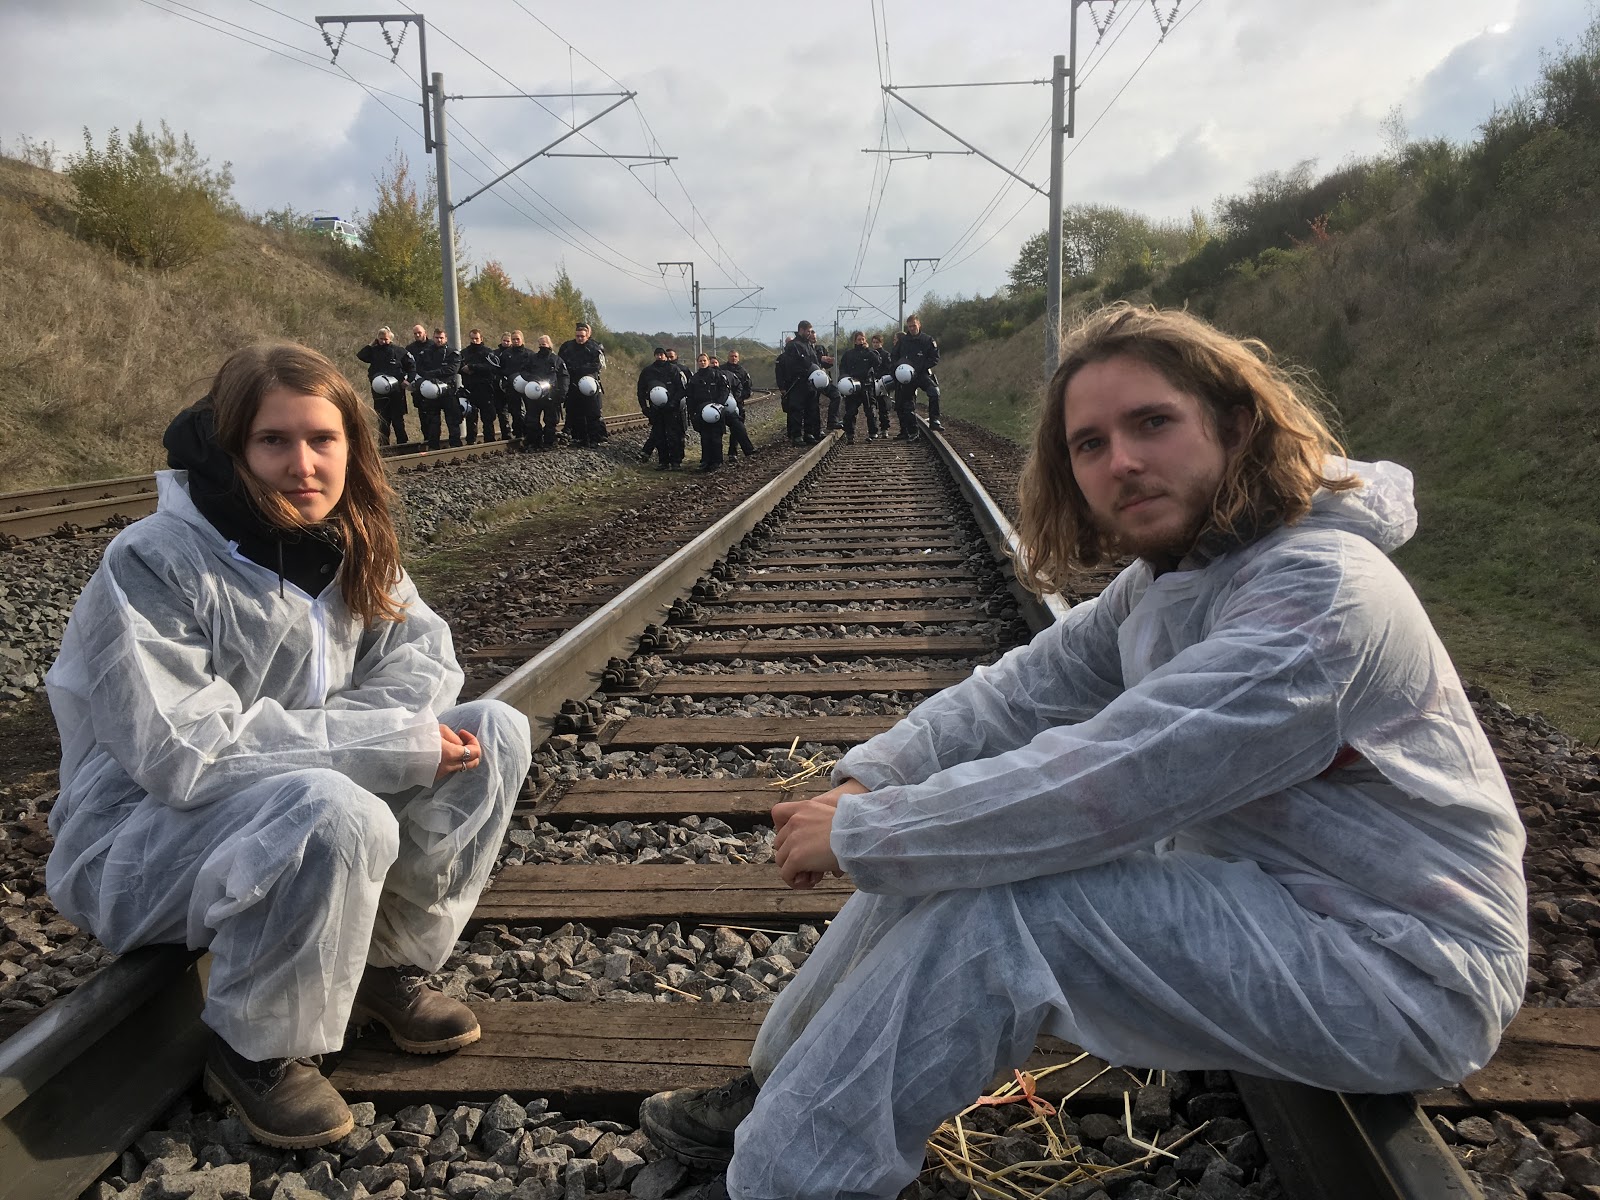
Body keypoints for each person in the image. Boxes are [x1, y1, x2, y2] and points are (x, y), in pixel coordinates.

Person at [638, 304, 1529, 1200]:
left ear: (1236, 423)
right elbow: (1027, 688)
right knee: (957, 865)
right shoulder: (1178, 577)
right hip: (1281, 904)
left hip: (1403, 971)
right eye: (1090, 444)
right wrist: (883, 773)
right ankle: (774, 1090)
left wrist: (870, 832)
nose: (1122, 463)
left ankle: (792, 1181)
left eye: (1152, 423)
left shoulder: (1324, 600)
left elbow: (1116, 776)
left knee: (1005, 918)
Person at [44, 342, 534, 1150]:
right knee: (335, 803)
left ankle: (382, 966)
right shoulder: (155, 562)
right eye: (274, 441)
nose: (302, 464)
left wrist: (374, 740)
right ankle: (256, 1051)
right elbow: (187, 753)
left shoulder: (346, 544)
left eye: (322, 440)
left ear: (352, 447)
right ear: (234, 447)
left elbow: (424, 664)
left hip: (293, 814)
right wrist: (378, 744)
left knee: (496, 730)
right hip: (142, 844)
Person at [354, 327, 413, 447]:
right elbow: (361, 355)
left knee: (398, 421)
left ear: (390, 339)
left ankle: (403, 444)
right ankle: (384, 446)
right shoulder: (374, 351)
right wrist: (371, 345)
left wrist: (408, 381)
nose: (383, 341)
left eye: (385, 339)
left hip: (396, 392)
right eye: (381, 339)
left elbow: (412, 367)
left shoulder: (399, 351)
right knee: (382, 421)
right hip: (379, 393)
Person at [636, 347, 687, 471]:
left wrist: (674, 402)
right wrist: (644, 407)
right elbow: (641, 390)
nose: (659, 357)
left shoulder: (674, 370)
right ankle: (663, 461)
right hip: (656, 409)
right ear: (654, 356)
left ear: (665, 356)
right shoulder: (648, 371)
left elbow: (681, 389)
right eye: (657, 355)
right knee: (659, 436)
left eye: (661, 355)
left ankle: (676, 462)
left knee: (674, 436)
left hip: (672, 408)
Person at [891, 314, 942, 437]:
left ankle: (934, 420)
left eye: (914, 325)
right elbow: (894, 356)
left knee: (934, 392)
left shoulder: (927, 340)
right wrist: (900, 367)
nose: (912, 328)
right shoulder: (903, 341)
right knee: (907, 405)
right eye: (909, 326)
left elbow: (935, 358)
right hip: (907, 377)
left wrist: (921, 366)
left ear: (919, 324)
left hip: (921, 373)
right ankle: (913, 432)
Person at [777, 322, 827, 445]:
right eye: (808, 331)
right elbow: (791, 365)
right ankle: (797, 435)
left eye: (810, 331)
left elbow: (814, 361)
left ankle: (809, 433)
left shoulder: (809, 345)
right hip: (798, 382)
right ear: (801, 330)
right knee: (797, 409)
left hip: (811, 382)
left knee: (811, 408)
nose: (810, 333)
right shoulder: (793, 346)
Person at [558, 321, 607, 447]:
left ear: (587, 336)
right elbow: (560, 362)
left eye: (582, 336)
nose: (580, 338)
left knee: (593, 412)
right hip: (572, 382)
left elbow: (598, 365)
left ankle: (595, 438)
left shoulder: (594, 348)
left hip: (588, 382)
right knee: (574, 411)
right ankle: (578, 438)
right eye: (578, 336)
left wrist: (581, 369)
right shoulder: (567, 347)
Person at [412, 328, 462, 450]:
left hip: (448, 390)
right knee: (432, 420)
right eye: (436, 337)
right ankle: (433, 446)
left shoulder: (452, 353)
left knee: (452, 419)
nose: (439, 340)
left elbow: (452, 369)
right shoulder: (425, 353)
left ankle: (455, 444)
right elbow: (419, 369)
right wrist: (429, 377)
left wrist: (433, 373)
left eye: (441, 338)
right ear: (433, 338)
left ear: (445, 339)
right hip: (431, 391)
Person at [686, 351, 730, 473]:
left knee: (716, 437)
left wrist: (719, 405)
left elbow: (724, 391)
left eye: (704, 360)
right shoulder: (694, 379)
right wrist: (692, 413)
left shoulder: (717, 375)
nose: (702, 362)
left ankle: (717, 461)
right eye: (700, 361)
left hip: (716, 410)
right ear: (697, 362)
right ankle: (705, 461)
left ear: (708, 362)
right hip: (701, 411)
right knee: (705, 437)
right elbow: (690, 397)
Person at [526, 335, 571, 451]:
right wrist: (532, 378)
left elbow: (564, 377)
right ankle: (534, 442)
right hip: (535, 394)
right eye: (540, 344)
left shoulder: (557, 360)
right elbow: (524, 372)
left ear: (549, 344)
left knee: (551, 421)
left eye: (544, 344)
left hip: (552, 395)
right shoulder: (532, 358)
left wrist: (562, 393)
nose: (542, 346)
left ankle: (549, 442)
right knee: (532, 419)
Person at [458, 329, 500, 445]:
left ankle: (489, 440)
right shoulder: (464, 353)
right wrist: (464, 370)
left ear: (481, 338)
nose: (474, 341)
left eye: (476, 338)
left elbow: (492, 367)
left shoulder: (488, 352)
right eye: (472, 338)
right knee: (471, 417)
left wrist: (473, 367)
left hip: (485, 388)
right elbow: (458, 366)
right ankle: (470, 441)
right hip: (469, 388)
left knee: (488, 417)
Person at [838, 330, 881, 444]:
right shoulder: (848, 354)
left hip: (867, 385)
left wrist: (868, 350)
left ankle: (873, 433)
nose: (861, 341)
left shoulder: (870, 353)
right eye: (858, 339)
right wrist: (844, 379)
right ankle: (850, 435)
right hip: (853, 385)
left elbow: (877, 363)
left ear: (865, 340)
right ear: (855, 341)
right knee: (850, 411)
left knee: (870, 410)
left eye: (863, 339)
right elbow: (842, 368)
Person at [497, 330, 537, 451]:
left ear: (522, 340)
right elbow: (500, 370)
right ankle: (518, 434)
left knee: (530, 411)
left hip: (527, 386)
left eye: (517, 339)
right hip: (511, 387)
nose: (515, 341)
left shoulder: (530, 354)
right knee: (515, 411)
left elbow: (534, 370)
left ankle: (530, 434)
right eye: (513, 339)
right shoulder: (505, 354)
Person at [869, 333, 893, 434]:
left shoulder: (885, 354)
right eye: (873, 342)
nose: (875, 344)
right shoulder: (869, 354)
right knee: (872, 406)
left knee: (883, 407)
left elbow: (888, 368)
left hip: (882, 382)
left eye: (877, 342)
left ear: (881, 343)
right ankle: (874, 428)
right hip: (871, 382)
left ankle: (884, 428)